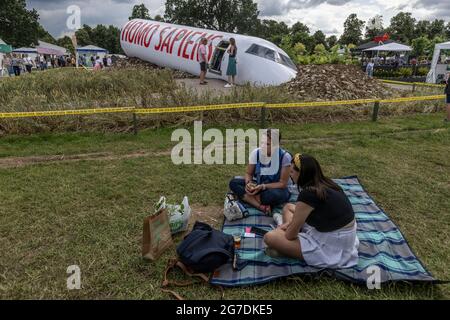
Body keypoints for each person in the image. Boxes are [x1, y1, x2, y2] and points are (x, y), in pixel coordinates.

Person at [263, 154, 359, 269]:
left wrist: (283, 229)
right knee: (288, 207)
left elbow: (290, 235)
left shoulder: (308, 194)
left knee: (269, 237)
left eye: (292, 171)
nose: (290, 174)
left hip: (332, 244)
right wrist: (290, 225)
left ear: (301, 174)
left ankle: (285, 247)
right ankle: (289, 235)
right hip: (343, 234)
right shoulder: (327, 183)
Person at [229, 129, 292, 214]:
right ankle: (260, 206)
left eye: (267, 144)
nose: (263, 146)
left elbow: (282, 184)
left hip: (275, 189)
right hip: (258, 185)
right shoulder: (256, 153)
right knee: (233, 183)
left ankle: (247, 198)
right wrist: (249, 184)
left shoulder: (285, 157)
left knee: (273, 195)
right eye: (262, 142)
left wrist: (263, 186)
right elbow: (249, 173)